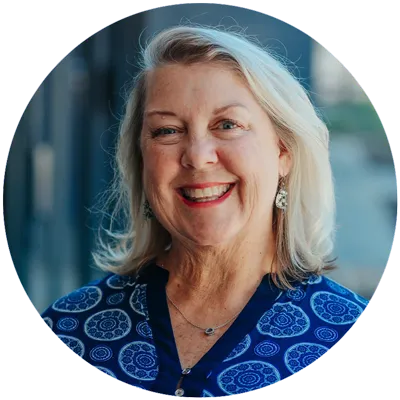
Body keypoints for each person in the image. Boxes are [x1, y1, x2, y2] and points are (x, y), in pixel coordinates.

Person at [41, 25, 369, 397]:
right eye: (166, 131)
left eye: (227, 125)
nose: (197, 156)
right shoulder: (66, 329)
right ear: (142, 161)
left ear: (283, 152)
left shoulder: (356, 340)